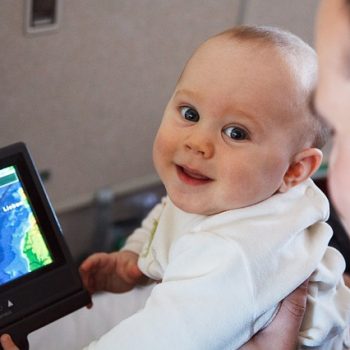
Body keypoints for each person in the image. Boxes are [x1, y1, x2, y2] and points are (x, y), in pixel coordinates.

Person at [1, 25, 348, 349]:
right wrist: (135, 260)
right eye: (190, 113)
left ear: (295, 170)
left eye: (236, 133)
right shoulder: (227, 192)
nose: (197, 143)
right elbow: (170, 212)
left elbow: (155, 340)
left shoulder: (235, 253)